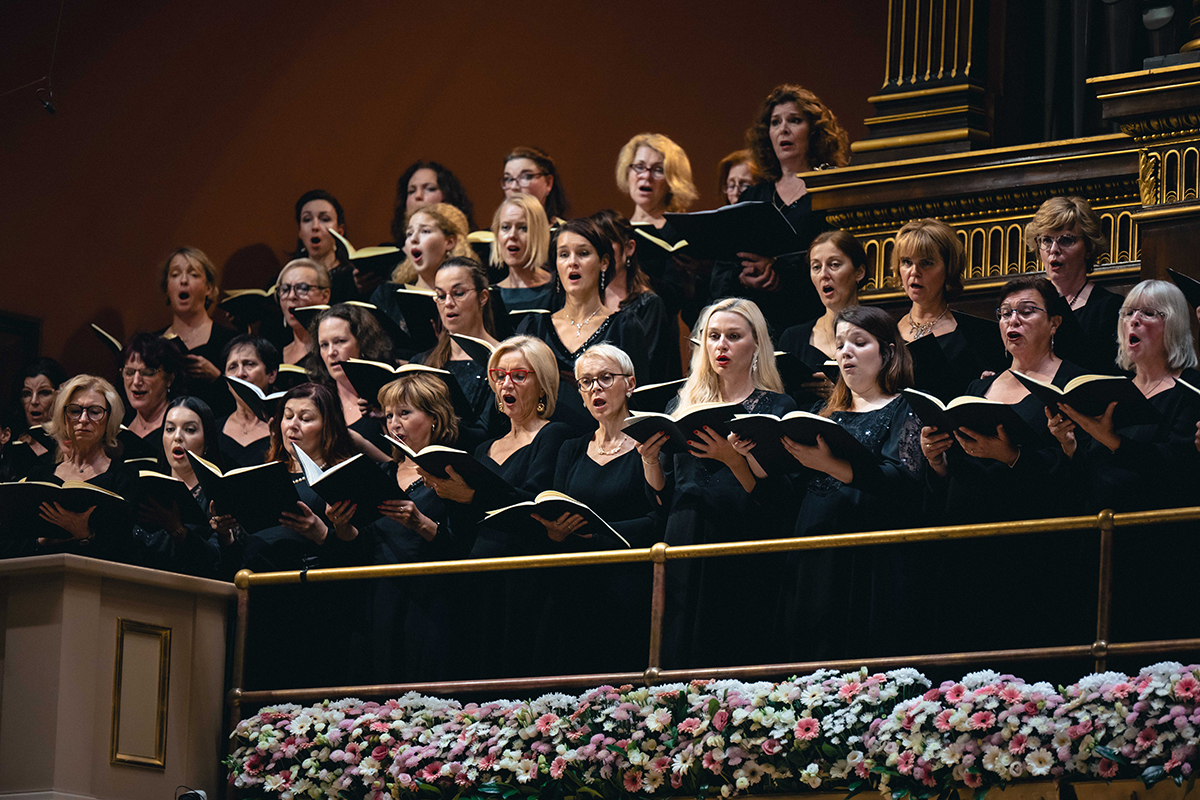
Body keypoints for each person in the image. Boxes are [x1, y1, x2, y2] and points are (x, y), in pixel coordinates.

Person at [918, 277, 1091, 659]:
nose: (1013, 321)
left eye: (1027, 311)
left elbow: (1079, 476)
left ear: (1055, 322)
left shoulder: (1073, 385)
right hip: (968, 548)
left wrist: (1011, 457)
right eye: (1005, 313)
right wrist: (937, 460)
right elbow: (957, 471)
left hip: (1032, 553)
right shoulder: (977, 390)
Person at [638, 298, 796, 669]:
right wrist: (649, 460)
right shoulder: (684, 403)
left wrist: (731, 459)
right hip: (686, 529)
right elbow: (664, 492)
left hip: (741, 533)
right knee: (679, 645)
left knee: (732, 638)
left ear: (756, 344)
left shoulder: (776, 406)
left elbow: (780, 499)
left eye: (733, 336)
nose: (721, 345)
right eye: (713, 336)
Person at [420, 335, 573, 677]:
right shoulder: (483, 450)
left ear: (543, 384)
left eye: (519, 375)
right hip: (478, 576)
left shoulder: (554, 434)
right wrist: (450, 496)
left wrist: (472, 497)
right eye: (499, 375)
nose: (507, 383)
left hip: (525, 577)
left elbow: (535, 503)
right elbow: (463, 529)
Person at [779, 305, 923, 662]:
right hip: (814, 541)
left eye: (859, 342)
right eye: (840, 343)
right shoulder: (818, 412)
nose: (845, 351)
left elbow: (901, 480)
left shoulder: (904, 407)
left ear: (888, 351)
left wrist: (830, 465)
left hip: (869, 550)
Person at [324, 374, 465, 682]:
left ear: (434, 418)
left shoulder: (455, 473)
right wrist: (343, 525)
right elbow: (361, 547)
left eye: (404, 413)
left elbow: (465, 550)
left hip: (429, 602)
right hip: (378, 599)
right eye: (388, 415)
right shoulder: (380, 472)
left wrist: (422, 524)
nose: (394, 423)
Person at [541, 344, 660, 674]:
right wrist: (554, 531)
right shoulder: (571, 448)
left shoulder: (649, 443)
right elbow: (557, 507)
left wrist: (601, 532)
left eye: (606, 378)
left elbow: (658, 518)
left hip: (629, 580)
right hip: (578, 582)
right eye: (586, 381)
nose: (596, 388)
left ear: (630, 384)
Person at [1050, 279, 1200, 512]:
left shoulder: (1191, 388)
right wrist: (1070, 446)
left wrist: (1112, 440)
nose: (1134, 320)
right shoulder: (1112, 390)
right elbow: (1089, 474)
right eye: (1128, 313)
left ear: (1174, 324)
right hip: (1098, 530)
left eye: (1148, 313)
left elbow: (1178, 468)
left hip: (1157, 532)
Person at [711, 84, 851, 335]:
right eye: (775, 123)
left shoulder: (830, 192)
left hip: (811, 322)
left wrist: (779, 269)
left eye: (794, 121)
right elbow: (722, 269)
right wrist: (743, 278)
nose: (783, 130)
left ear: (814, 132)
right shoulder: (752, 196)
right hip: (756, 327)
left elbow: (842, 256)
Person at [516, 218, 650, 431]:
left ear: (604, 262)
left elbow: (639, 402)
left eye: (583, 253)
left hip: (602, 448)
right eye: (563, 254)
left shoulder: (625, 326)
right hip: (542, 446)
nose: (572, 262)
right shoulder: (534, 327)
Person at [239, 382, 359, 572]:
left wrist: (322, 534)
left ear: (328, 427)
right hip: (250, 582)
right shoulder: (265, 473)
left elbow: (361, 556)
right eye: (287, 416)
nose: (292, 425)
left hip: (306, 588)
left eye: (305, 418)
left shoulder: (343, 477)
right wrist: (225, 534)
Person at [24, 375, 137, 562]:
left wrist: (84, 534)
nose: (83, 419)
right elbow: (15, 542)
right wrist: (40, 541)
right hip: (39, 579)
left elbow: (125, 551)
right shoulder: (39, 475)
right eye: (75, 411)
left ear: (109, 418)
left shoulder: (124, 478)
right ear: (64, 417)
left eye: (95, 412)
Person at [894, 218, 1006, 400]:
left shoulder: (976, 337)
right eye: (907, 262)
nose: (914, 271)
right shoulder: (885, 335)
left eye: (926, 263)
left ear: (949, 269)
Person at [410, 257, 505, 452]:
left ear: (483, 297)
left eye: (458, 293)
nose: (448, 303)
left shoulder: (502, 360)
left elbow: (489, 434)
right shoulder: (422, 362)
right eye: (441, 296)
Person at [1025, 196, 1124, 374]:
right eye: (1046, 240)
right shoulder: (1028, 310)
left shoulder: (1111, 309)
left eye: (1066, 240)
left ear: (1088, 248)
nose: (1054, 249)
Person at [134, 396, 228, 577]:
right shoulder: (145, 486)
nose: (177, 436)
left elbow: (217, 561)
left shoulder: (216, 496)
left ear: (207, 441)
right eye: (170, 429)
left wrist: (177, 530)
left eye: (190, 430)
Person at [778, 229, 868, 402]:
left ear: (859, 272)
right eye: (816, 267)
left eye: (834, 264)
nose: (824, 275)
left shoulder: (879, 334)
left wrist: (844, 394)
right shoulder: (793, 338)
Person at [590, 209, 675, 381]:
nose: (600, 253)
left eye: (607, 244)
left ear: (629, 248)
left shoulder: (649, 304)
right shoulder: (587, 299)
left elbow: (643, 368)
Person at [157, 247, 237, 417]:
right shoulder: (153, 344)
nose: (183, 281)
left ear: (208, 287)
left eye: (193, 275)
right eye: (175, 274)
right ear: (166, 288)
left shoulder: (230, 341)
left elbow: (244, 404)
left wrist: (216, 377)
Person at [307, 304, 394, 450]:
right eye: (324, 345)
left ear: (362, 343)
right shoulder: (318, 400)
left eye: (340, 341)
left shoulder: (388, 396)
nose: (331, 352)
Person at [217, 335, 279, 467]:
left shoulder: (285, 427)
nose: (240, 373)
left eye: (249, 364)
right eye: (232, 367)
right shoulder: (213, 429)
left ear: (272, 374)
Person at [120, 333, 183, 461]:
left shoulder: (179, 429)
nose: (136, 381)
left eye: (148, 373)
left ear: (169, 378)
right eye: (129, 373)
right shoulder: (119, 425)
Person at [490, 194, 553, 317]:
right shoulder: (489, 296)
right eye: (505, 227)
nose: (512, 235)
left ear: (539, 234)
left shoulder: (558, 291)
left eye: (523, 228)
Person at [391, 160, 476, 234]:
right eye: (411, 191)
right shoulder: (390, 252)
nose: (418, 195)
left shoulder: (478, 249)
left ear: (448, 197)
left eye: (430, 189)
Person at [274, 258, 332, 366]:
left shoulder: (332, 352)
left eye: (302, 288)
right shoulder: (274, 353)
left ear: (325, 296)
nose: (292, 296)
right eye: (285, 289)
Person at [501, 146, 569, 222]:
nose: (514, 187)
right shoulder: (488, 234)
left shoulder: (567, 233)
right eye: (509, 179)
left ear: (548, 183)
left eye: (527, 177)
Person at [17, 357, 66, 459]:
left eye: (44, 393)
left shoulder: (69, 446)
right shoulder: (11, 442)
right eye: (27, 394)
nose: (34, 401)